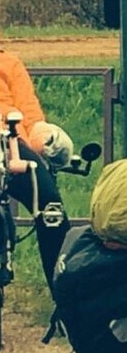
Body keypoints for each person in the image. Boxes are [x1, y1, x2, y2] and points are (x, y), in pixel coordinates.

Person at [0, 46, 73, 290]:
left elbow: (30, 115)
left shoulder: (8, 63)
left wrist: (45, 139)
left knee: (50, 205)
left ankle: (64, 295)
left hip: (11, 145)